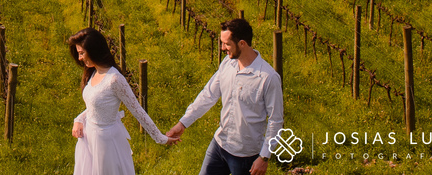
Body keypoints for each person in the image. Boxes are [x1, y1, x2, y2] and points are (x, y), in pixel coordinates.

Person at [166, 18, 283, 175]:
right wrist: (182, 124)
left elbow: (276, 120)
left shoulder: (268, 78)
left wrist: (264, 157)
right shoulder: (227, 64)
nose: (222, 48)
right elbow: (208, 95)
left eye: (227, 44)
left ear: (242, 43)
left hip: (246, 155)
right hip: (220, 145)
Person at [69, 28, 174, 175]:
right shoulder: (93, 72)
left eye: (82, 53)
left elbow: (137, 110)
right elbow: (96, 107)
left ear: (93, 50)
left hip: (106, 143)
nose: (80, 58)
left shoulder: (114, 79)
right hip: (89, 138)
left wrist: (161, 138)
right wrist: (79, 119)